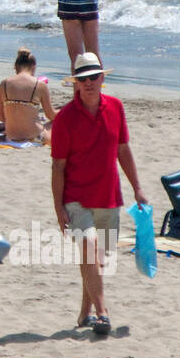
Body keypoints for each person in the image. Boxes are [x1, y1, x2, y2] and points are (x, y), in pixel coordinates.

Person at [51, 52, 148, 335]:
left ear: (103, 78)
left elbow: (123, 149)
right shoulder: (65, 119)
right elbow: (58, 166)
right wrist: (58, 208)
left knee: (96, 260)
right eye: (83, 78)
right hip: (77, 199)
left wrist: (137, 188)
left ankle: (84, 313)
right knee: (90, 252)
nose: (89, 82)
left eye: (94, 76)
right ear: (76, 83)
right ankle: (103, 314)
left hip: (108, 197)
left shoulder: (116, 107)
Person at [0, 48, 55, 144]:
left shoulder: (4, 83)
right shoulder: (40, 84)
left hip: (10, 136)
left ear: (15, 67)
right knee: (58, 122)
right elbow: (50, 115)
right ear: (34, 66)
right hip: (36, 137)